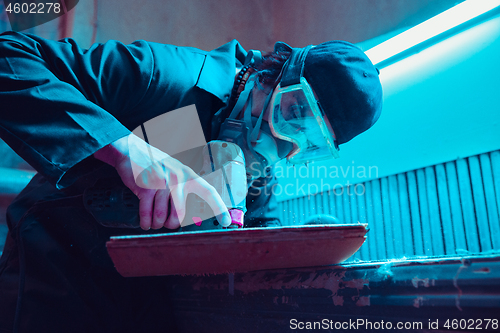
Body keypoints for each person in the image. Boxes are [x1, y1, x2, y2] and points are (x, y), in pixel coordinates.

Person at [0, 31, 382, 332]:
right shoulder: (167, 78)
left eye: (309, 141)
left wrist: (303, 254)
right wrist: (123, 148)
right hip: (55, 271)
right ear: (276, 74)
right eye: (294, 112)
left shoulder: (259, 163)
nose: (284, 141)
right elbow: (9, 56)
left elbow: (259, 233)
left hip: (145, 297)